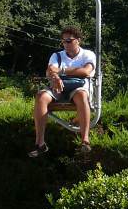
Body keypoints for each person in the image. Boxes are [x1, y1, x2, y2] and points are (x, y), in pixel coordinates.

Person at [29, 26, 96, 157]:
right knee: (41, 96)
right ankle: (40, 143)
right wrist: (55, 77)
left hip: (78, 87)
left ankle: (85, 140)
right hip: (58, 87)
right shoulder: (57, 56)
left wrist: (62, 71)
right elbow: (50, 70)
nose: (66, 44)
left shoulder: (88, 55)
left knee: (81, 95)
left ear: (78, 40)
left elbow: (86, 71)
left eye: (69, 41)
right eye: (63, 41)